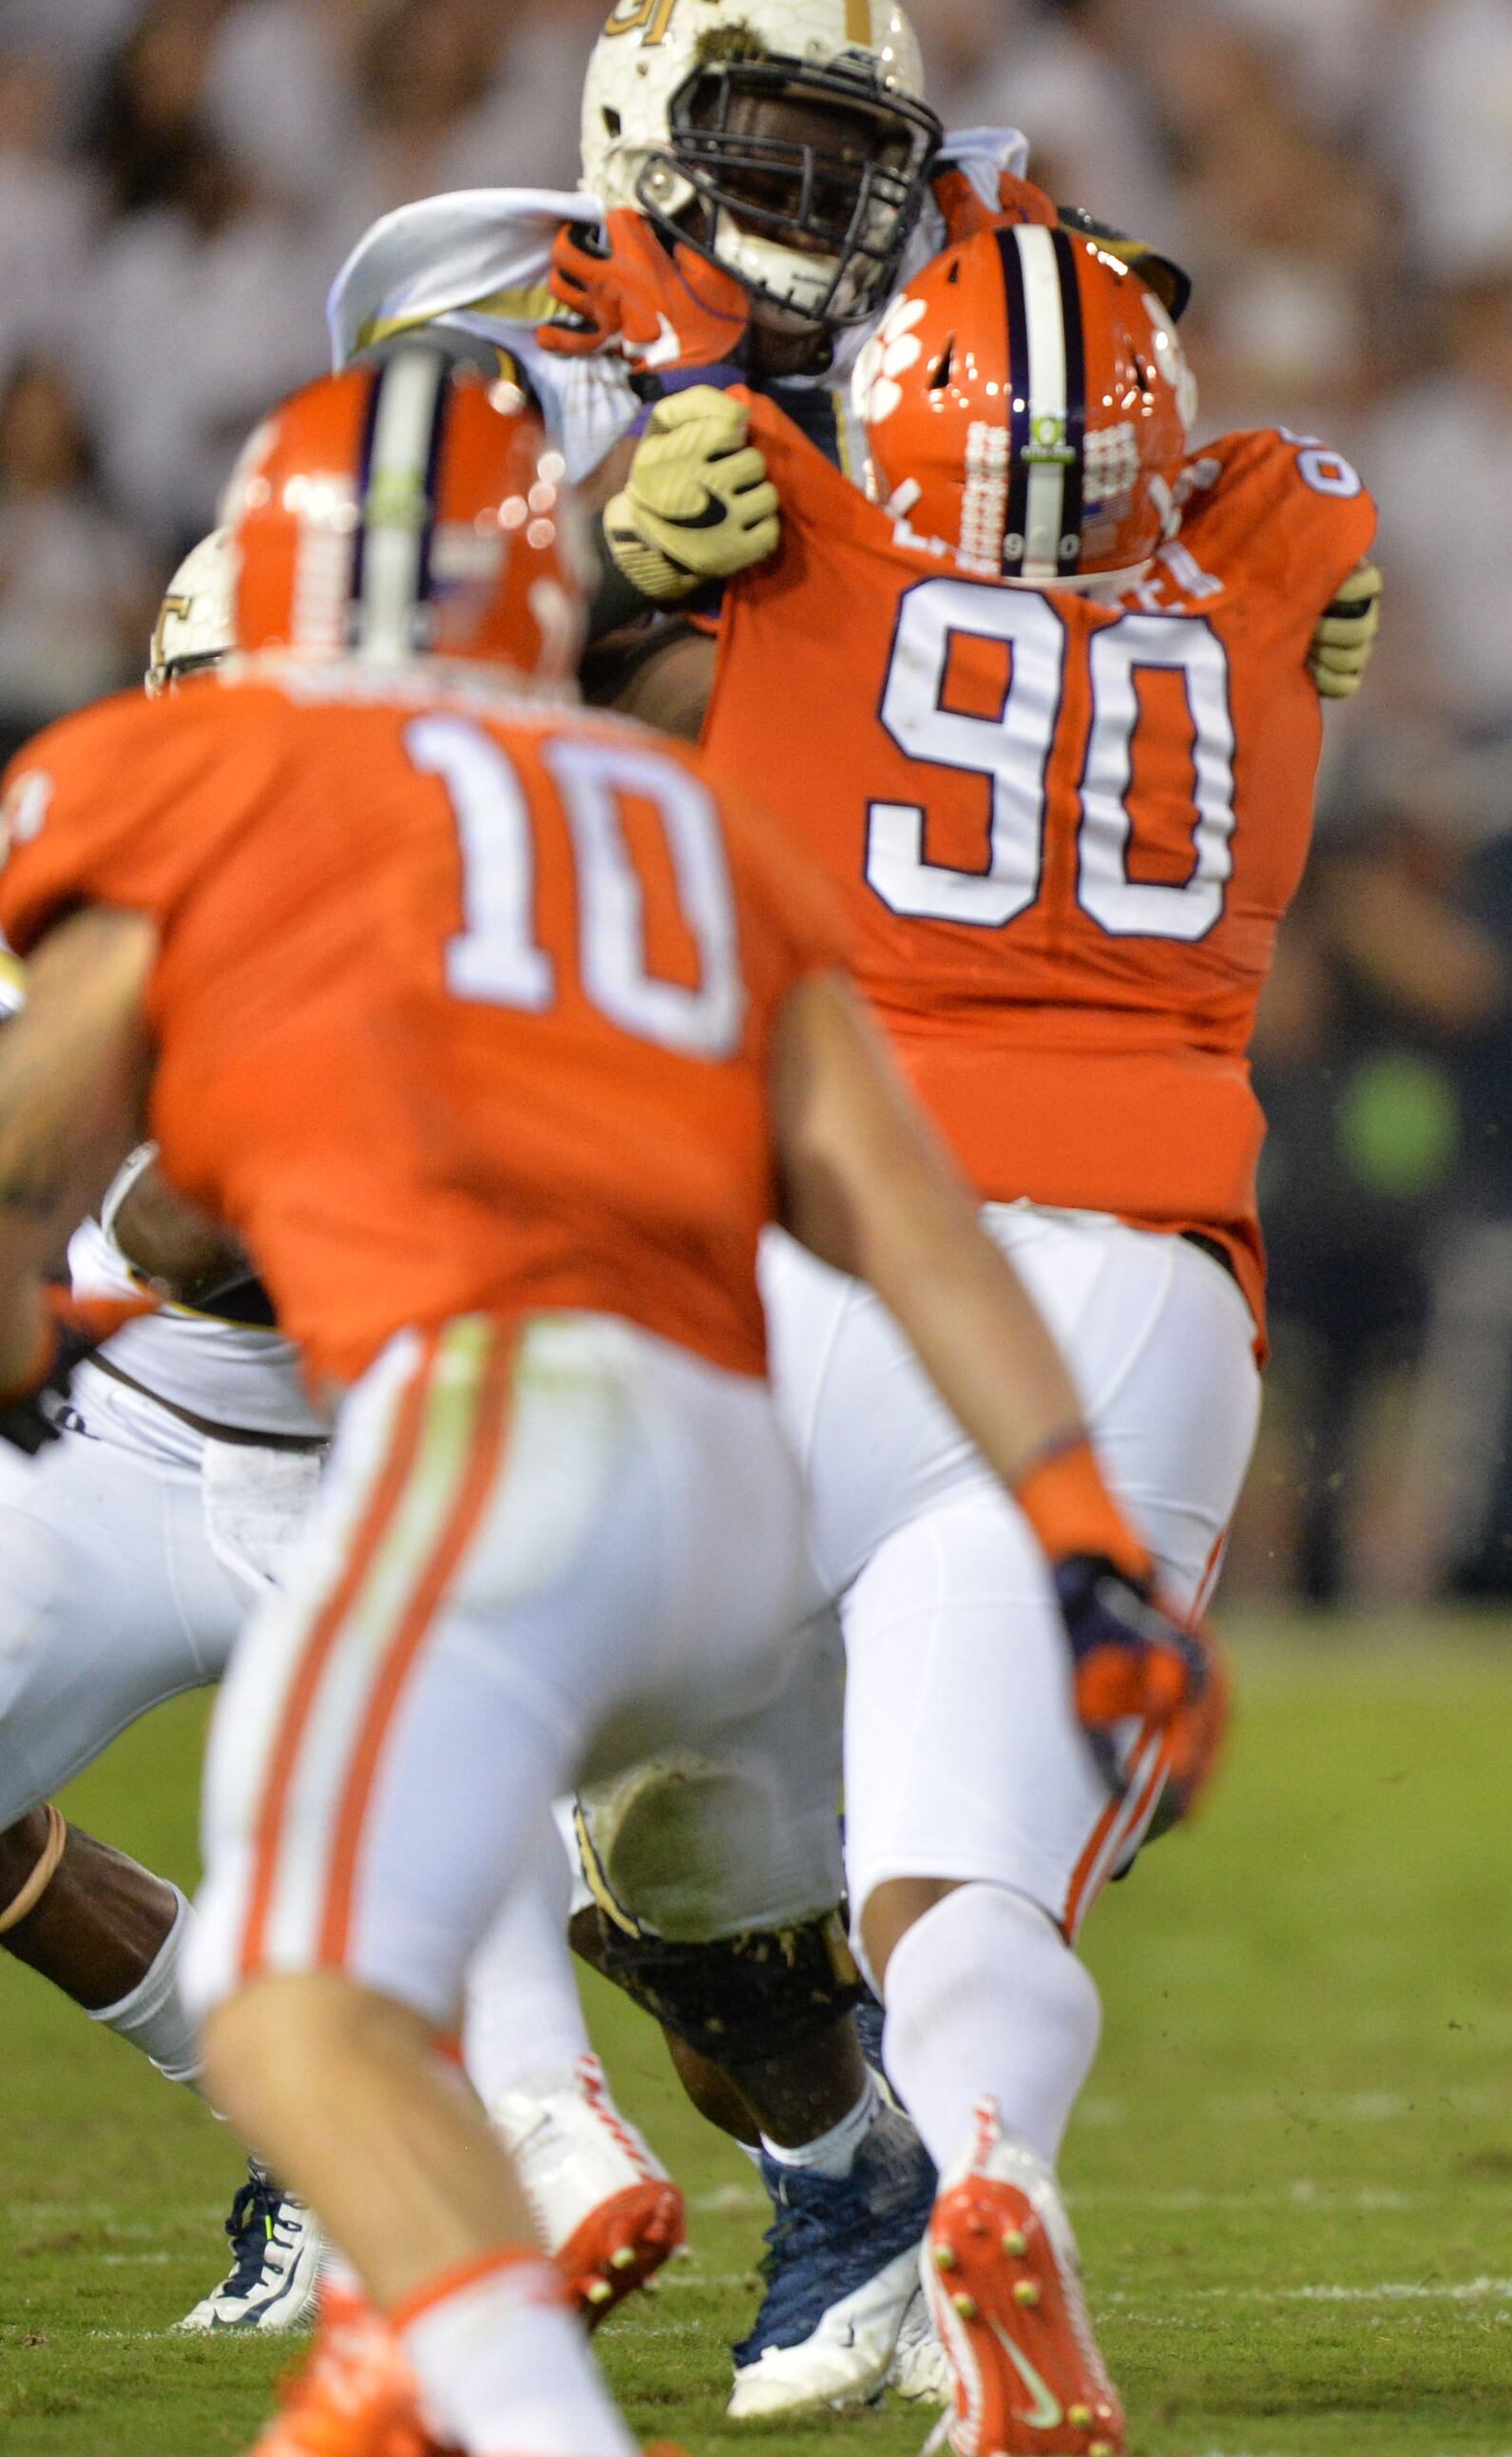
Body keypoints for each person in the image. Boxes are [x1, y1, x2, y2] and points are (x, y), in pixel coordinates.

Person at [0, 347, 1210, 2457]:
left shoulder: (200, 777)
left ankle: (506, 2301)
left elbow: (104, 1184)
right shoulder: (677, 812)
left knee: (303, 2008)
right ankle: (433, 2342)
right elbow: (906, 1219)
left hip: (475, 1446)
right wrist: (1091, 1548)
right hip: (734, 1480)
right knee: (436, 1946)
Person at [586, 223, 1374, 2447]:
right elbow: (1274, 500)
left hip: (800, 1246)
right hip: (1124, 1292)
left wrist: (627, 524)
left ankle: (537, 2146)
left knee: (461, 1712)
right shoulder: (1282, 541)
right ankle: (994, 2186)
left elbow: (556, 577)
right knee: (965, 1884)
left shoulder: (765, 496)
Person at [0, 529, 697, 2344]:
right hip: (124, 1445)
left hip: (419, 1459)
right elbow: (119, 1213)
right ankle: (314, 2146)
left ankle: (854, 2192)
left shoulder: (512, 898)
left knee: (654, 1889)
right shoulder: (68, 883)